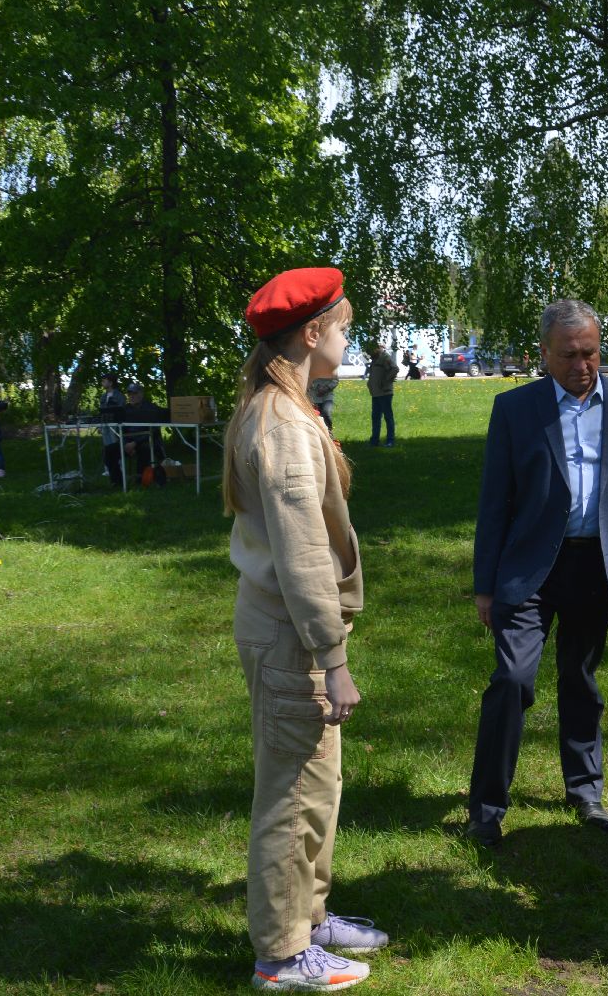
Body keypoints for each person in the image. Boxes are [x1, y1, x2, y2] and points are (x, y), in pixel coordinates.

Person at [224, 266, 384, 992]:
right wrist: (332, 656)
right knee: (292, 794)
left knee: (317, 783)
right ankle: (283, 955)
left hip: (290, 628)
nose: (349, 340)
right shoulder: (284, 423)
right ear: (313, 332)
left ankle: (308, 916)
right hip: (293, 631)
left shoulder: (284, 406)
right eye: (345, 327)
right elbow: (303, 554)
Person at [466, 299, 608, 847]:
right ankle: (485, 809)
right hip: (528, 567)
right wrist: (484, 586)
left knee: (580, 678)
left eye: (590, 353)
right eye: (569, 355)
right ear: (544, 354)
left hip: (598, 565)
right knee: (512, 680)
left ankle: (585, 791)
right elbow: (494, 503)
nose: (582, 365)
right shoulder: (515, 409)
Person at [120, 382, 167, 487]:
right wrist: (125, 444)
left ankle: (141, 478)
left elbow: (154, 431)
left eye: (134, 393)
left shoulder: (151, 408)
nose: (131, 396)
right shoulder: (124, 410)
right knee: (109, 450)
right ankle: (117, 481)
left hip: (147, 441)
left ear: (141, 394)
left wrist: (135, 443)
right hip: (129, 443)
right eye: (129, 394)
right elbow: (121, 430)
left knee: (145, 448)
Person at [364, 344, 397, 447]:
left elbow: (395, 369)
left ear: (376, 349)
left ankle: (390, 441)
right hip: (375, 393)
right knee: (375, 417)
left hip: (385, 393)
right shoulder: (375, 359)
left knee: (388, 417)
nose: (370, 354)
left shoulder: (385, 357)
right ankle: (374, 440)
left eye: (370, 352)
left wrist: (385, 380)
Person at [99, 372, 126, 486]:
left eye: (104, 381)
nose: (102, 383)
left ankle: (119, 466)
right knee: (106, 445)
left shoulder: (119, 396)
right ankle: (108, 469)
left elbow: (121, 410)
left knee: (115, 444)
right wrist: (100, 425)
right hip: (105, 424)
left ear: (110, 382)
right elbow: (101, 411)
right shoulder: (103, 396)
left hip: (115, 424)